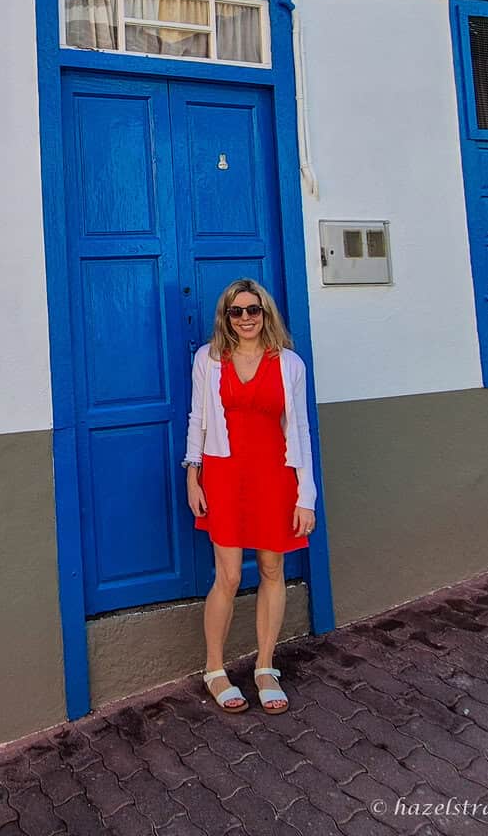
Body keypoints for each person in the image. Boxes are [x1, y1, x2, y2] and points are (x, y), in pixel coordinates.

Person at [182, 278, 317, 714]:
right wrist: (192, 475)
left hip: (274, 475)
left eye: (252, 310)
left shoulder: (290, 364)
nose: (245, 319)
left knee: (272, 567)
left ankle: (264, 666)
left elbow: (298, 430)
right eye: (236, 312)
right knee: (230, 575)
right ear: (225, 317)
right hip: (223, 474)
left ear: (266, 313)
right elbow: (197, 418)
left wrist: (306, 495)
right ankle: (214, 668)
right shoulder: (208, 359)